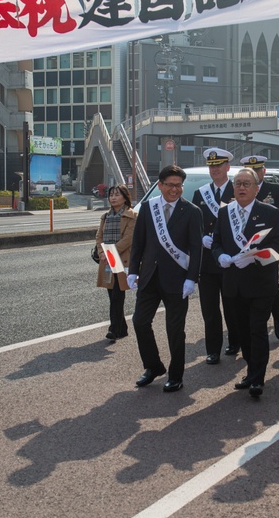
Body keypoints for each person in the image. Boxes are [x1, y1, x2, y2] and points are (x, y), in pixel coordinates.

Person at [127, 165, 204, 393]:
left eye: (178, 185)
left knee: (175, 330)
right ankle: (153, 367)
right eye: (170, 185)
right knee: (140, 322)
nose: (174, 189)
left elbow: (196, 249)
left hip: (177, 281)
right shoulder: (149, 208)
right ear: (160, 185)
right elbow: (138, 242)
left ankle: (176, 375)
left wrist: (192, 278)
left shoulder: (191, 211)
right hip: (149, 278)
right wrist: (133, 270)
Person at [212, 168, 279, 398]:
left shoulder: (270, 213)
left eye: (246, 183)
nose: (241, 187)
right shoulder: (225, 214)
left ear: (256, 188)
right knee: (242, 331)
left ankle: (257, 378)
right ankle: (251, 370)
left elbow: (278, 249)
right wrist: (220, 256)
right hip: (234, 284)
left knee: (257, 329)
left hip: (261, 283)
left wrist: (254, 257)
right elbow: (216, 243)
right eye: (238, 184)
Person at [191, 148, 237, 364]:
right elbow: (194, 224)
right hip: (207, 262)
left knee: (231, 305)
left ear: (227, 167)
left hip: (229, 259)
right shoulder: (201, 193)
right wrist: (201, 238)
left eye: (218, 165)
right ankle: (213, 349)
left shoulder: (237, 190)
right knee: (209, 308)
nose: (214, 169)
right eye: (211, 166)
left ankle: (235, 341)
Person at [240, 155, 279, 339]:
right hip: (244, 247)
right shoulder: (239, 188)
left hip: (268, 245)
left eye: (258, 169)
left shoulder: (274, 189)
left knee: (273, 285)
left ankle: (277, 317)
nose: (254, 172)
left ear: (264, 171)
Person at [96, 184, 137, 341]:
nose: (113, 198)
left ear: (125, 197)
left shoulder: (132, 215)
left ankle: (113, 329)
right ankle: (123, 328)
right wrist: (101, 252)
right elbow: (99, 236)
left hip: (121, 259)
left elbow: (129, 238)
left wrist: (109, 252)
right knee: (111, 293)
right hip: (107, 259)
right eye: (111, 195)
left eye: (117, 195)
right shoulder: (105, 216)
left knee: (117, 295)